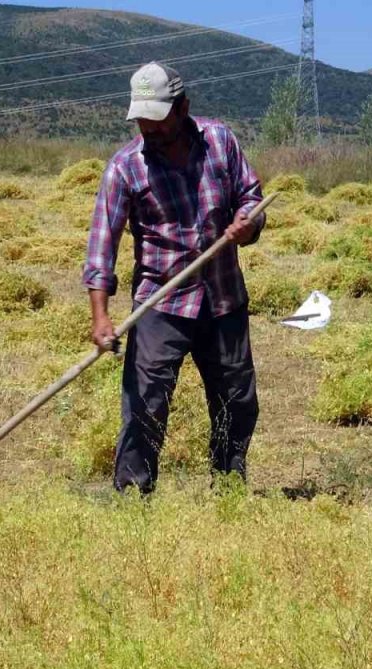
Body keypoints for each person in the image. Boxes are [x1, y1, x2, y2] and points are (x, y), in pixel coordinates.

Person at [82, 61, 267, 495]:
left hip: (223, 298)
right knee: (144, 405)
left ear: (183, 108)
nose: (150, 128)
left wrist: (247, 224)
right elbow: (102, 246)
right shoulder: (125, 168)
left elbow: (251, 198)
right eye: (142, 120)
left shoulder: (220, 141)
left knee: (237, 400)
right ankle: (133, 497)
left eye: (159, 119)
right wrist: (100, 317)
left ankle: (228, 488)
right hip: (160, 305)